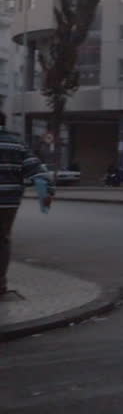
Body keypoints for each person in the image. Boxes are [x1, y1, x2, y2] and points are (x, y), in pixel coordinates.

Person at [0, 114, 52, 297]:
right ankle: (0, 284)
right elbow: (39, 173)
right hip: (8, 203)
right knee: (3, 239)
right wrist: (46, 196)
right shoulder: (18, 145)